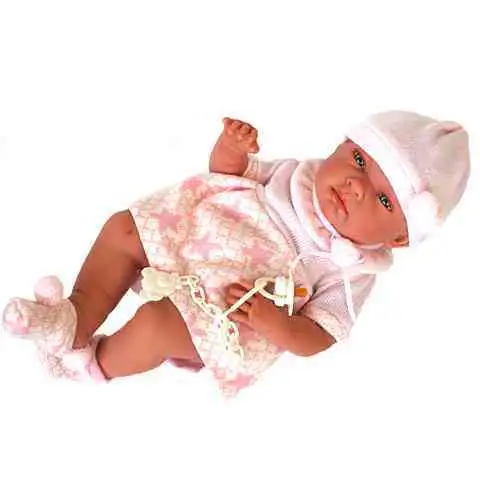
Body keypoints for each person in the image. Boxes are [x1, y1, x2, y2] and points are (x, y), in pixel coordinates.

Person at [2, 110, 470, 398]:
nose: (355, 185)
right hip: (195, 236)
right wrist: (230, 149)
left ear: (398, 238)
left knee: (155, 325)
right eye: (360, 161)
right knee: (124, 229)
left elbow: (320, 336)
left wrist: (276, 324)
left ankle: (94, 362)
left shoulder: (352, 269)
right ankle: (73, 318)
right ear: (341, 145)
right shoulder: (296, 176)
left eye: (384, 199)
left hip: (226, 308)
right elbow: (229, 174)